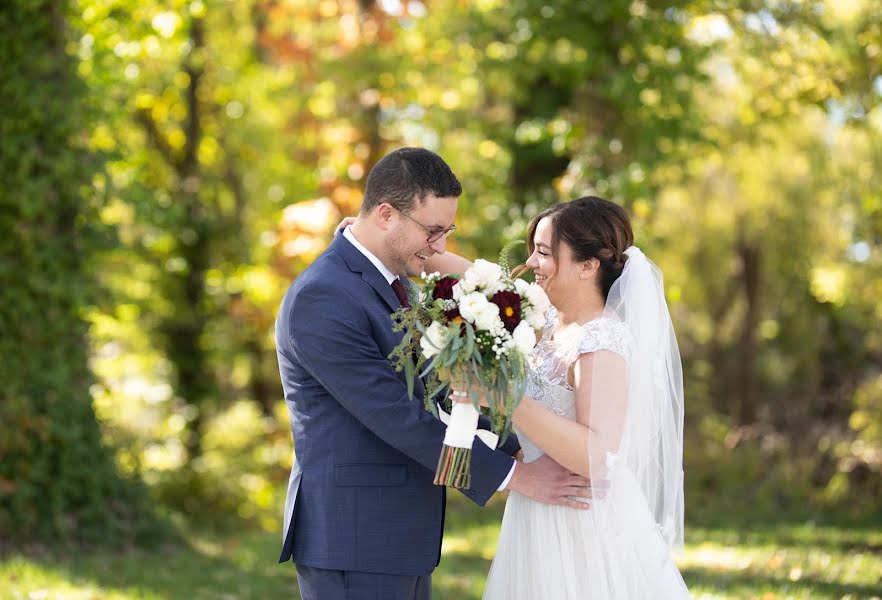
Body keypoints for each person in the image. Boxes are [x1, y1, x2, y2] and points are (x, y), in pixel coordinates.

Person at [274, 147, 590, 600]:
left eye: (448, 230)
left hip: (399, 538)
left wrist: (517, 446)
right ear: (386, 214)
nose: (441, 247)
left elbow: (436, 393)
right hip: (354, 540)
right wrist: (514, 478)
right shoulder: (323, 297)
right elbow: (397, 418)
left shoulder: (393, 280)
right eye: (433, 231)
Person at [426, 196, 690, 599]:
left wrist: (506, 398)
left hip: (580, 525)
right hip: (535, 508)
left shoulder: (600, 341)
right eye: (533, 249)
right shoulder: (541, 313)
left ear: (588, 266)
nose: (531, 261)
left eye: (544, 253)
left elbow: (596, 456)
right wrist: (372, 234)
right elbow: (467, 275)